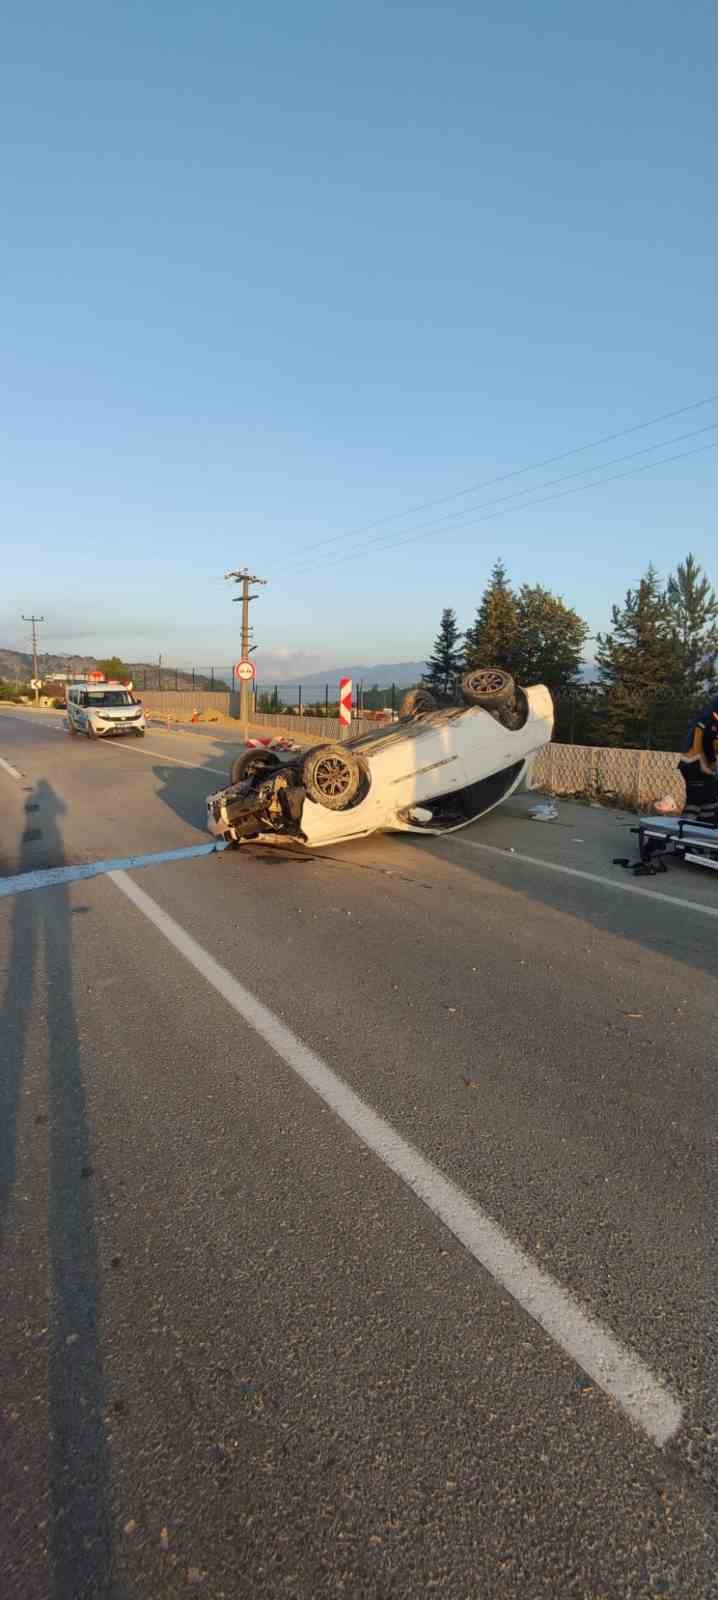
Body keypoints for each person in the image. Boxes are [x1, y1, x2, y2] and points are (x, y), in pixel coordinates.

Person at [678, 694, 718, 819]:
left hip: (690, 765)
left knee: (702, 800)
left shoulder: (703, 718)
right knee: (701, 801)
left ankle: (693, 830)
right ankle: (684, 832)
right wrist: (710, 766)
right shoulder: (711, 721)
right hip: (698, 765)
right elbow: (707, 743)